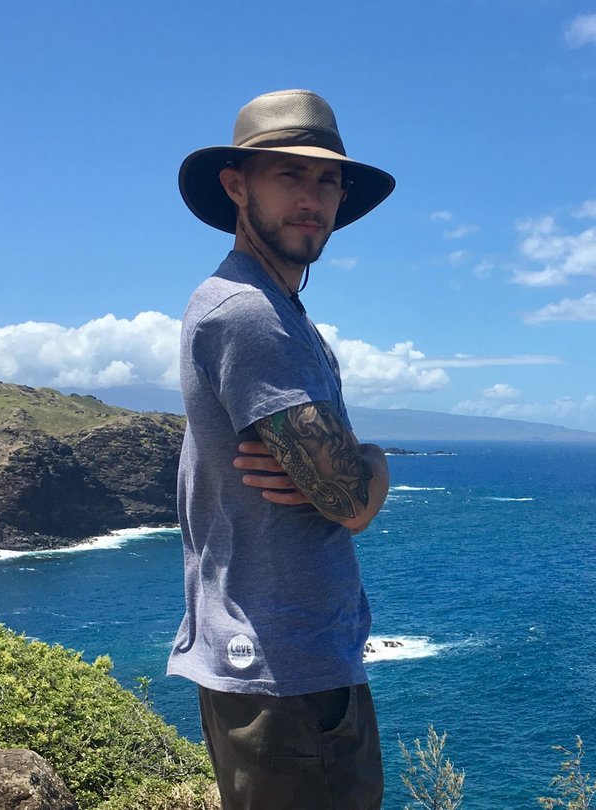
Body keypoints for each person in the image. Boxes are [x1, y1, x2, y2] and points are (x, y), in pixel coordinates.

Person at [169, 89, 396, 809]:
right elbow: (352, 501)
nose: (314, 197)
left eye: (328, 179)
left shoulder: (270, 310)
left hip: (272, 663)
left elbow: (333, 488)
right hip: (287, 674)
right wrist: (377, 463)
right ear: (237, 185)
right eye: (289, 175)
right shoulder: (252, 317)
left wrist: (342, 470)